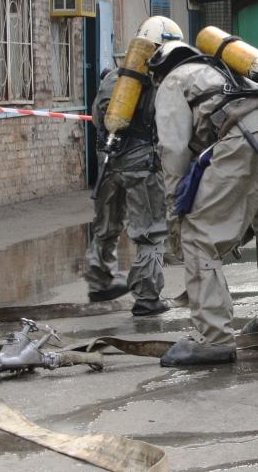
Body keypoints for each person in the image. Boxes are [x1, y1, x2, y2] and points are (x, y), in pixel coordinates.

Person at [148, 39, 258, 366]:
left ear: (158, 70)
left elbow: (173, 154)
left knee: (198, 235)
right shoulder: (223, 68)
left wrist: (176, 214)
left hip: (248, 135)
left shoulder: (172, 83)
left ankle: (213, 339)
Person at [83, 16, 183, 316]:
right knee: (150, 229)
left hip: (109, 161)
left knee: (106, 225)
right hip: (143, 164)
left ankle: (100, 281)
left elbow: (98, 117)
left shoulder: (115, 77)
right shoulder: (160, 83)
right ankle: (147, 296)